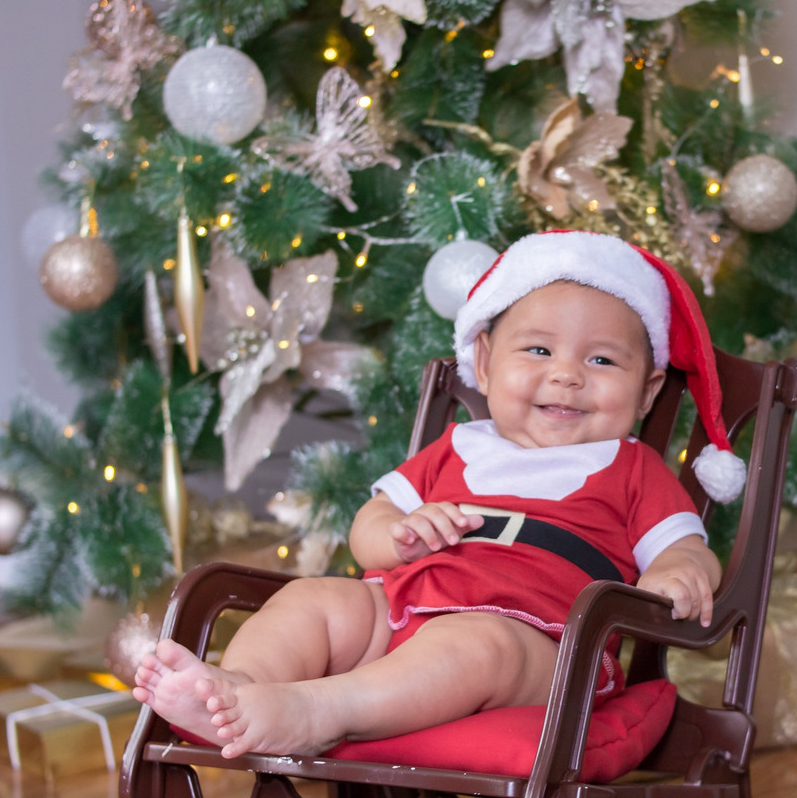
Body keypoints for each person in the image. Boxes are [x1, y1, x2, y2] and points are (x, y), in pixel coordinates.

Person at [133, 229, 747, 760]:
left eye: (603, 360)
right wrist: (396, 535)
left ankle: (318, 712)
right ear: (483, 362)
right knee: (314, 598)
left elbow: (688, 549)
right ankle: (237, 690)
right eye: (537, 349)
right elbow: (368, 527)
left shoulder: (631, 467)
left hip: (543, 651)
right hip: (401, 612)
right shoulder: (458, 447)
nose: (566, 374)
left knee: (475, 643)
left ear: (647, 391)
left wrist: (679, 572)